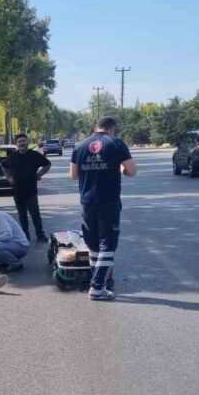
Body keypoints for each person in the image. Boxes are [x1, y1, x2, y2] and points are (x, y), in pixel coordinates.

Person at [70, 117, 137, 301]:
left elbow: (73, 175)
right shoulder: (116, 143)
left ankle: (98, 280)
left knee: (93, 243)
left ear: (96, 127)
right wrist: (120, 169)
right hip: (108, 200)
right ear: (112, 129)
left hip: (87, 201)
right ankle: (97, 287)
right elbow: (131, 171)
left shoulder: (80, 145)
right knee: (107, 244)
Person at [3, 133, 51, 243]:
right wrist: (9, 177)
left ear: (27, 142)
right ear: (16, 144)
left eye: (23, 141)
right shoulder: (13, 156)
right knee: (22, 215)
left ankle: (40, 234)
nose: (21, 143)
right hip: (18, 191)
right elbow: (4, 166)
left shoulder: (34, 155)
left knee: (35, 214)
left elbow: (47, 164)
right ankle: (25, 236)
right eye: (19, 142)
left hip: (31, 190)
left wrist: (39, 174)